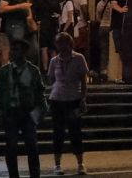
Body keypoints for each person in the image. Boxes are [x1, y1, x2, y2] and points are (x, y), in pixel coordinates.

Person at [0, 39, 47, 178]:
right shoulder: (4, 71)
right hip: (10, 112)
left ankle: (35, 175)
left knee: (32, 147)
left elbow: (40, 92)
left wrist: (41, 111)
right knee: (11, 147)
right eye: (12, 49)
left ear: (24, 52)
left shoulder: (32, 70)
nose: (13, 52)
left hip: (27, 113)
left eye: (17, 49)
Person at [47, 32, 88, 175]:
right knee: (58, 133)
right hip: (57, 99)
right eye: (58, 44)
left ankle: (80, 163)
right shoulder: (54, 61)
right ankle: (57, 164)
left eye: (62, 43)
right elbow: (51, 79)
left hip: (73, 99)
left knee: (75, 132)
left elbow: (83, 80)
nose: (60, 47)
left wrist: (83, 98)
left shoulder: (79, 58)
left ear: (69, 44)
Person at [32, 0, 60, 73]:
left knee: (44, 48)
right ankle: (55, 69)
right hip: (53, 25)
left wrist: (37, 22)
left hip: (43, 26)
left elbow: (33, 14)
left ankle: (45, 69)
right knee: (53, 48)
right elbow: (58, 12)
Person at [94, 0, 112, 82]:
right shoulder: (111, 4)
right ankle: (111, 70)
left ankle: (103, 70)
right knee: (111, 50)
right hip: (109, 27)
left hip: (101, 27)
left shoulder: (99, 4)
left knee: (103, 49)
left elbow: (97, 18)